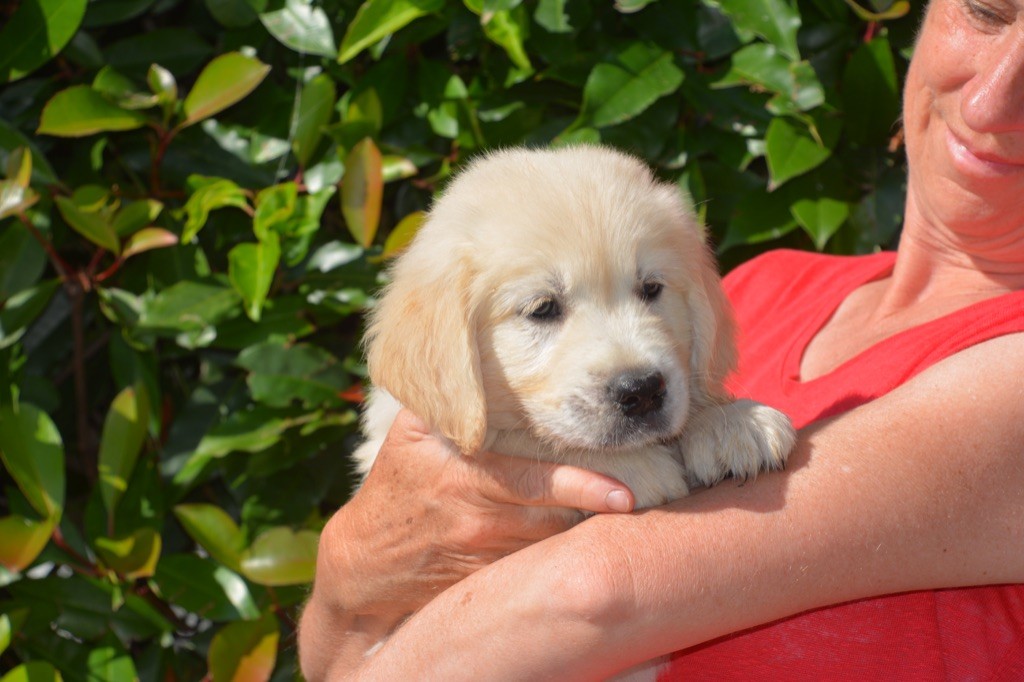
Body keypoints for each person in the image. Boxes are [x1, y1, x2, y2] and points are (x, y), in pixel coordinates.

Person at [298, 0, 1024, 678]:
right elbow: (335, 653)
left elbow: (595, 593)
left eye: (649, 291)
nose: (992, 101)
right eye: (988, 9)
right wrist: (349, 568)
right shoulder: (758, 286)